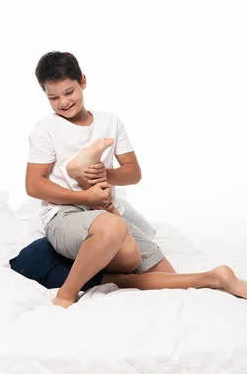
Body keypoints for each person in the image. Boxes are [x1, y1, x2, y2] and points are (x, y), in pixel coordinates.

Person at [25, 51, 247, 307]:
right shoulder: (47, 128)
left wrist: (103, 174)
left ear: (83, 81)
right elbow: (34, 185)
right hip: (66, 215)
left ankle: (217, 277)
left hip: (105, 208)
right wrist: (84, 196)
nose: (63, 102)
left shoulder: (110, 122)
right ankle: (66, 294)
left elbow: (133, 172)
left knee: (166, 278)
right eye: (53, 97)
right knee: (119, 239)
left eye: (69, 92)